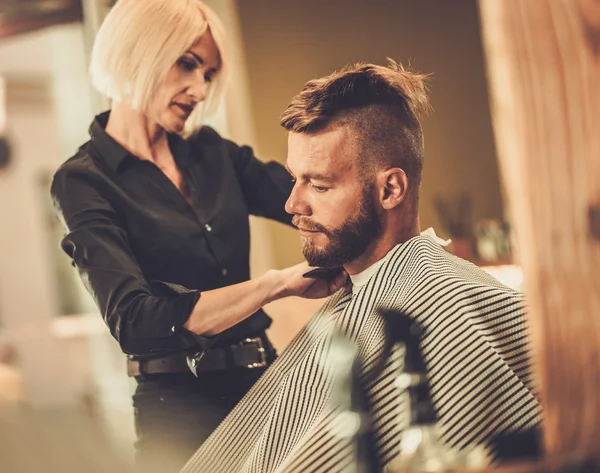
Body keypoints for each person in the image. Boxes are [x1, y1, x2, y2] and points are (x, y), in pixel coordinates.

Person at [180, 60, 542, 473]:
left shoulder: (445, 307)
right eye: (294, 179)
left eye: (318, 185)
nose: (292, 204)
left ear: (390, 189)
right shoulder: (352, 299)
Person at [50, 1, 346, 472]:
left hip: (262, 387)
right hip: (177, 412)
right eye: (187, 63)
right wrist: (275, 284)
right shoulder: (84, 180)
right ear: (136, 53)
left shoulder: (213, 153)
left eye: (208, 73)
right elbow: (138, 323)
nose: (200, 89)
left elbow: (307, 199)